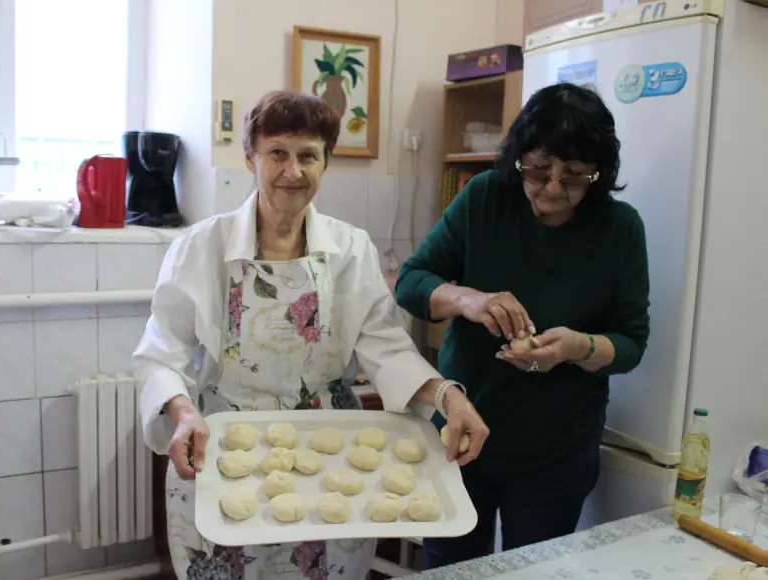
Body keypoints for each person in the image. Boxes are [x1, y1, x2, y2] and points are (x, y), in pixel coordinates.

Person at [133, 90, 489, 580]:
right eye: (277, 152)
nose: (292, 171)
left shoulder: (349, 248)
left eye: (308, 156)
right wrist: (182, 411)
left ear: (326, 163)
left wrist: (446, 395)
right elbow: (162, 352)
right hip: (223, 441)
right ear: (250, 157)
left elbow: (385, 345)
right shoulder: (201, 246)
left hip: (329, 457)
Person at [395, 82, 651, 568]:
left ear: (599, 174)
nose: (553, 186)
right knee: (451, 567)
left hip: (555, 450)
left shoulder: (620, 229)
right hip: (461, 431)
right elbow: (411, 282)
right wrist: (468, 299)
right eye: (538, 169)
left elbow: (632, 342)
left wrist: (578, 347)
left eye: (575, 175)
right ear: (519, 159)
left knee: (534, 570)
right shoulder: (485, 197)